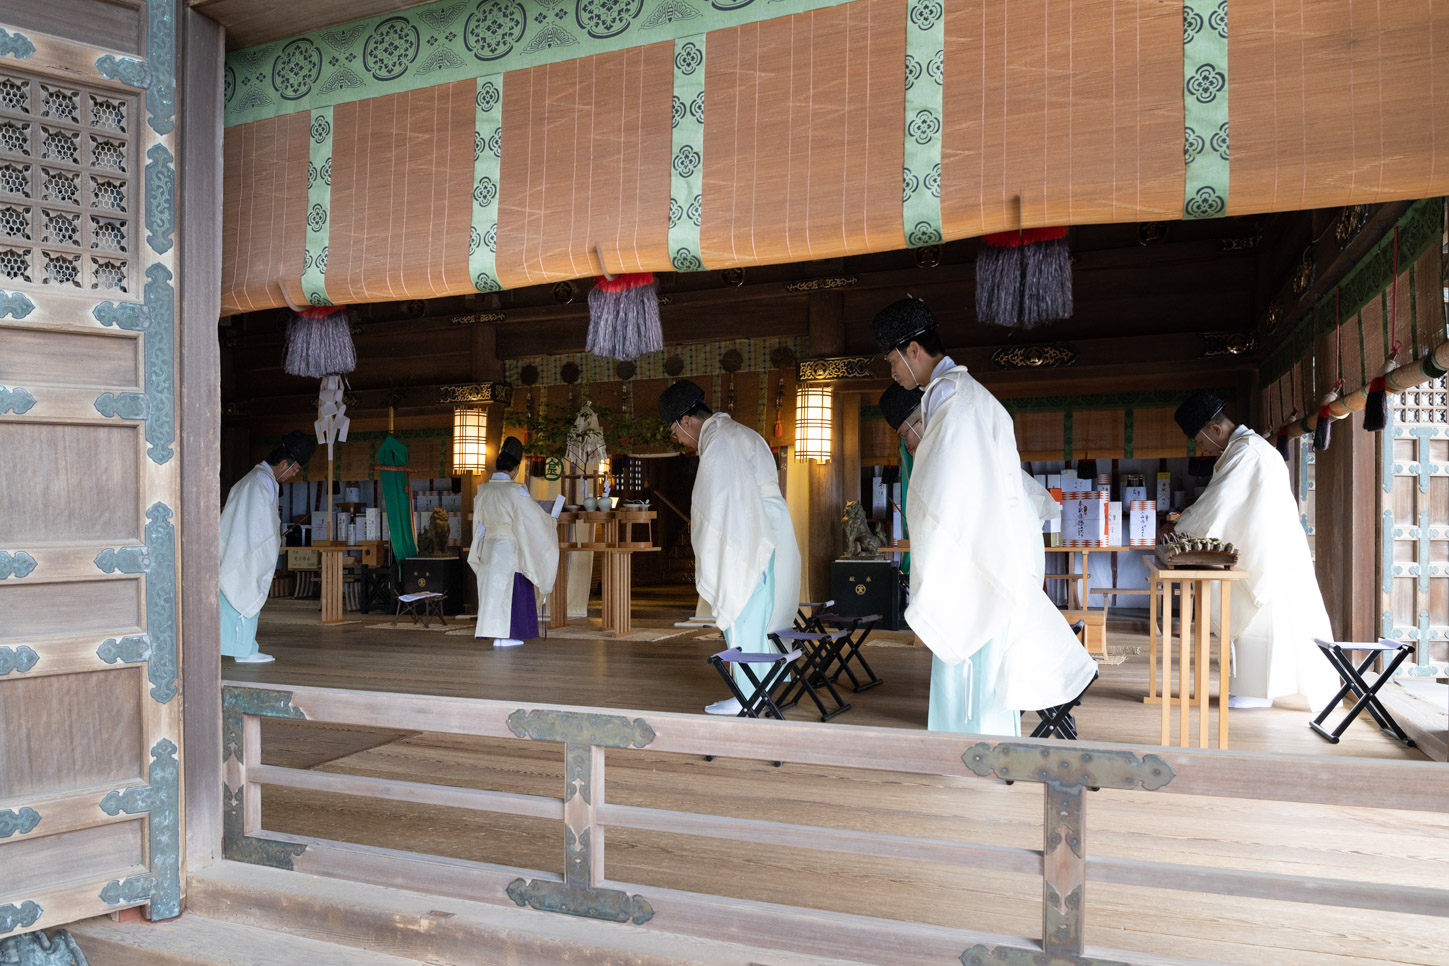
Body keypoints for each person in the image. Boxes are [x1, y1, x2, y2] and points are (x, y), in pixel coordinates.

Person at [873, 297, 1097, 734]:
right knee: (980, 660)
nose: (893, 373)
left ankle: (971, 752)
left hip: (976, 556)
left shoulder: (954, 401)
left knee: (970, 661)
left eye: (892, 361)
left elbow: (946, 494)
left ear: (913, 350)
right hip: (990, 549)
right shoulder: (963, 395)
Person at [1170, 392, 1339, 709]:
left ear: (1215, 430)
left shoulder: (1247, 453)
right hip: (1267, 544)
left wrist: (1179, 528)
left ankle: (1258, 691)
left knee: (1264, 621)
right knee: (1271, 622)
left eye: (1201, 440)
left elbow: (1217, 504)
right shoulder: (1246, 449)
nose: (1202, 448)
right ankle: (1259, 688)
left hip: (1267, 550)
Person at [661, 380, 802, 715]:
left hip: (748, 528)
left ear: (686, 420)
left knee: (743, 607)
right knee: (764, 608)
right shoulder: (740, 432)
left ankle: (748, 697)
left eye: (674, 432)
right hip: (771, 522)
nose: (678, 440)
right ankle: (764, 686)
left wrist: (719, 548)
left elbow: (720, 501)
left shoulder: (720, 440)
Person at [219, 430, 316, 664]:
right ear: (283, 463)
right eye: (294, 469)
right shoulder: (260, 481)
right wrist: (272, 538)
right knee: (242, 594)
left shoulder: (257, 478)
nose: (293, 475)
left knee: (238, 596)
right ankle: (243, 651)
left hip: (239, 547)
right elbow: (259, 524)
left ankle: (245, 647)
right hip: (245, 550)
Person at [467, 436, 559, 647]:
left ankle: (495, 633)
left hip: (489, 546)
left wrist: (478, 550)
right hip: (509, 548)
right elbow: (533, 519)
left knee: (492, 591)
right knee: (513, 587)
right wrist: (550, 521)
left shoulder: (483, 491)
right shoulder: (517, 491)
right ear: (516, 468)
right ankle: (508, 634)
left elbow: (479, 526)